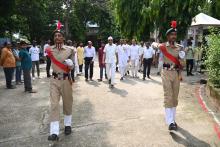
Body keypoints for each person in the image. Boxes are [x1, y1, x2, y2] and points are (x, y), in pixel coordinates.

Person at [46, 29, 74, 141]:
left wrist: (71, 65)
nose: (57, 37)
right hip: (54, 80)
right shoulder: (49, 50)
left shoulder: (70, 50)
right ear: (53, 38)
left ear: (63, 38)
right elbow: (48, 63)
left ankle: (68, 125)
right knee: (54, 105)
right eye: (55, 36)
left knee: (67, 103)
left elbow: (72, 67)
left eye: (59, 35)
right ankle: (54, 132)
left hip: (66, 80)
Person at [158, 21, 185, 131]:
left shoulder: (180, 48)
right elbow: (154, 46)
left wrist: (182, 58)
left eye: (175, 35)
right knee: (168, 95)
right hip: (166, 73)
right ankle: (169, 122)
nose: (174, 36)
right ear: (168, 36)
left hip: (176, 74)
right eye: (171, 35)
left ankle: (173, 120)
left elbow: (182, 64)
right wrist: (156, 45)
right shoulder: (163, 46)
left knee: (174, 97)